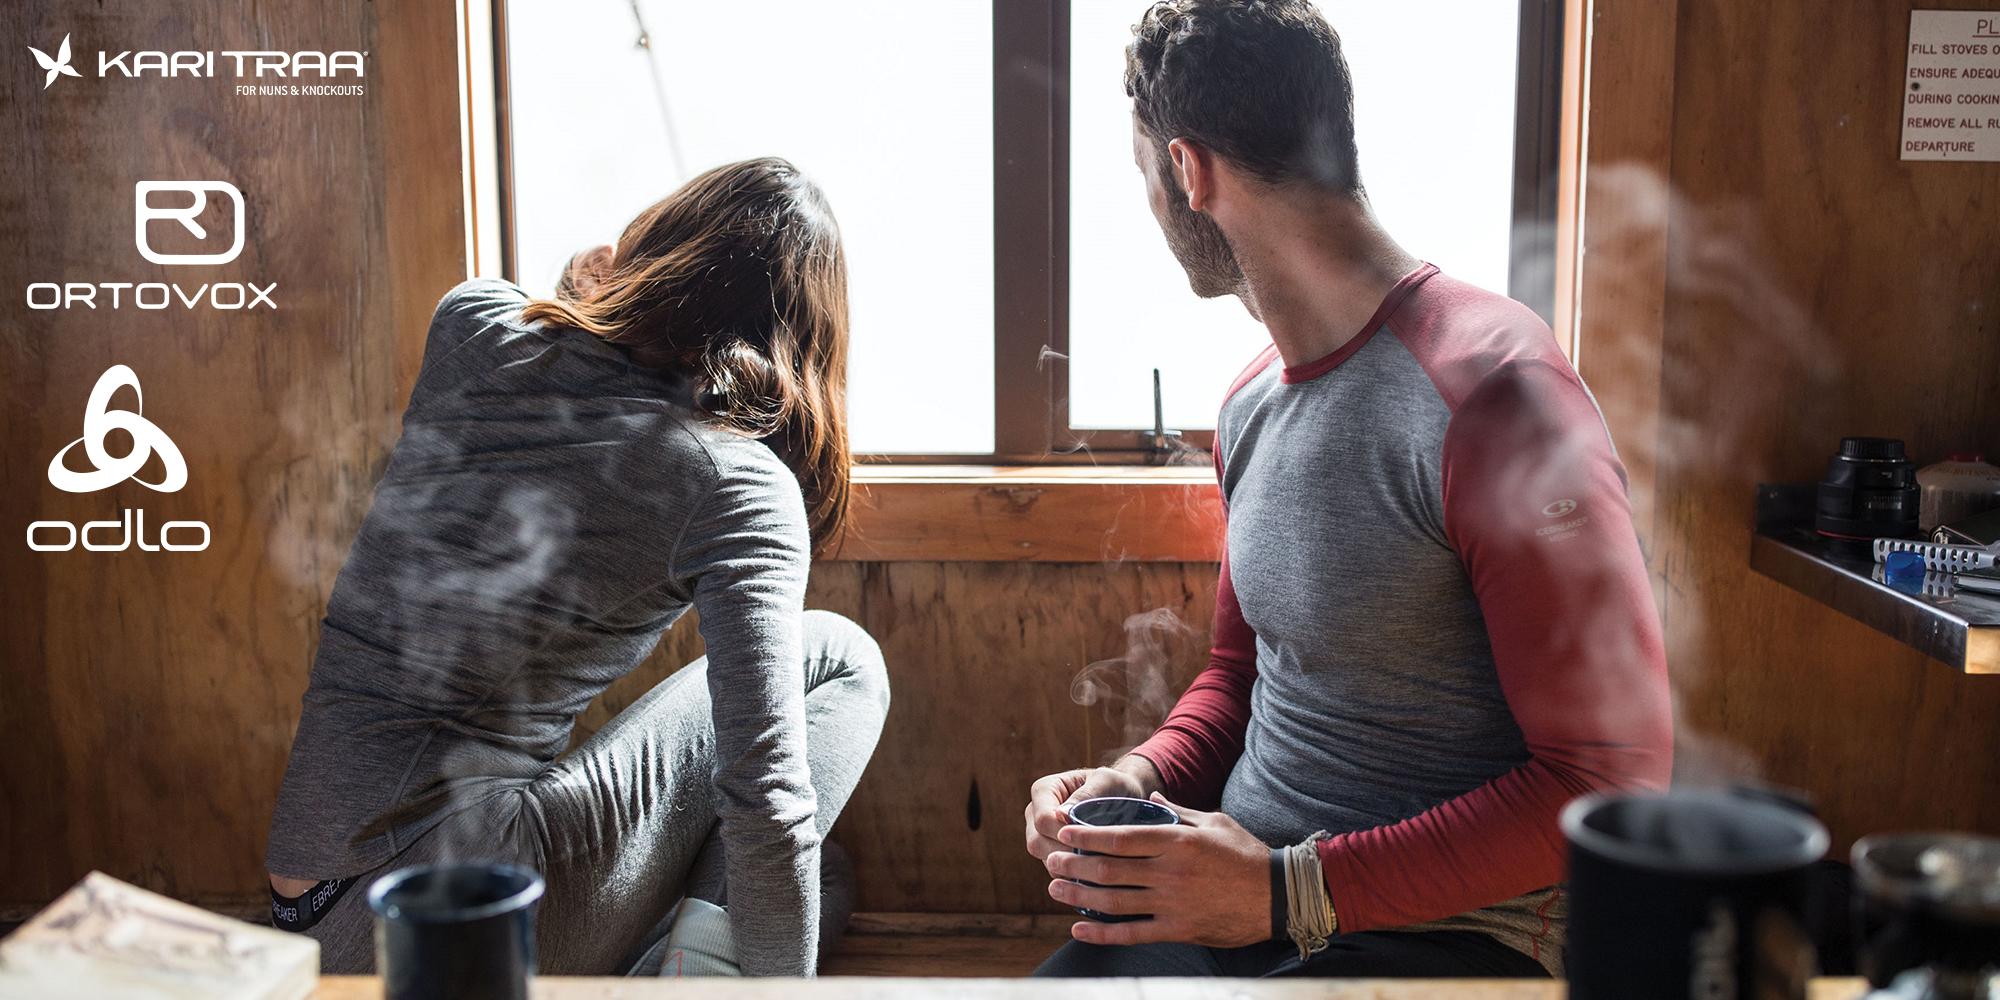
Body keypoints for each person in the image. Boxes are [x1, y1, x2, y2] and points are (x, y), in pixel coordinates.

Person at [1024, 0, 1672, 979]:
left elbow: (1610, 778)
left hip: (1459, 936)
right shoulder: (1248, 406)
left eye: (1144, 173)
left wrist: (1283, 891)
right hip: (1245, 903)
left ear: (1188, 170)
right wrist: (1137, 774)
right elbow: (1241, 673)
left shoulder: (1496, 392)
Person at [264, 157, 890, 978]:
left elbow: (572, 352)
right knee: (841, 657)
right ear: (802, 344)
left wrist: (595, 275)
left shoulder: (472, 322)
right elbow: (764, 799)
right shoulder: (734, 483)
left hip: (312, 908)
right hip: (464, 903)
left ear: (655, 246)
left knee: (825, 876)